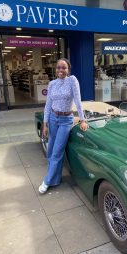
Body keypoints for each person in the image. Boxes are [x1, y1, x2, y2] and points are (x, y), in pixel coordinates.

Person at [39, 58, 89, 194]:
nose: (61, 70)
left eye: (63, 67)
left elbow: (78, 100)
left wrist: (83, 119)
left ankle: (47, 181)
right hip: (53, 118)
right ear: (55, 70)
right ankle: (55, 179)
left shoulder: (72, 80)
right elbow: (48, 105)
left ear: (68, 70)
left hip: (66, 120)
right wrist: (45, 124)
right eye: (58, 68)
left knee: (57, 151)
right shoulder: (52, 84)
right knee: (50, 151)